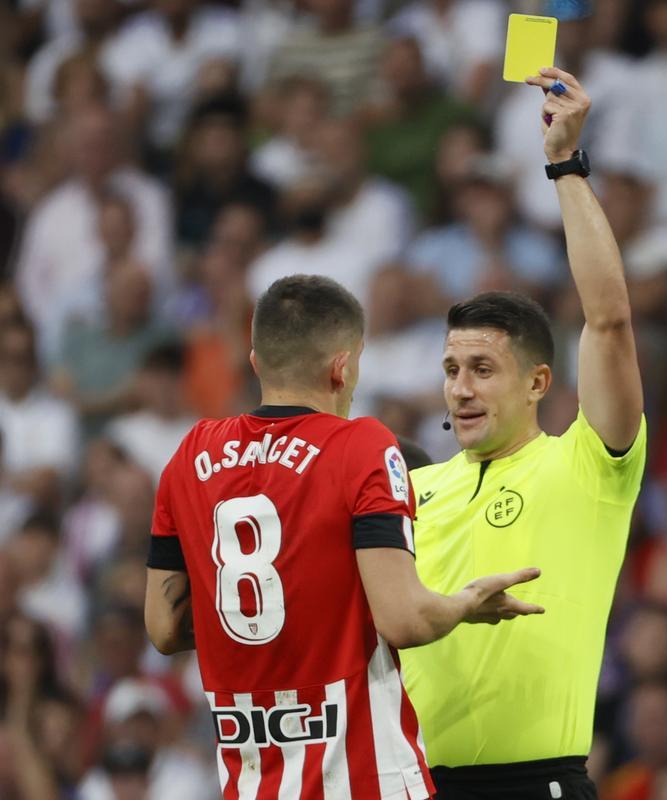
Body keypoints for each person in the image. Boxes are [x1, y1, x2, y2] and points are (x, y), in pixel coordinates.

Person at [142, 274, 545, 798]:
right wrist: (468, 602)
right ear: (343, 366)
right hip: (365, 779)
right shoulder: (360, 445)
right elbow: (403, 619)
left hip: (251, 781)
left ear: (257, 361)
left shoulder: (189, 456)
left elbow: (163, 628)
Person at [400, 68, 646, 799]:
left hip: (535, 785)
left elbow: (608, 321)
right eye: (450, 369)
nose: (461, 387)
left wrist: (564, 165)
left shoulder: (587, 466)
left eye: (482, 368)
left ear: (539, 383)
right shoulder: (411, 489)